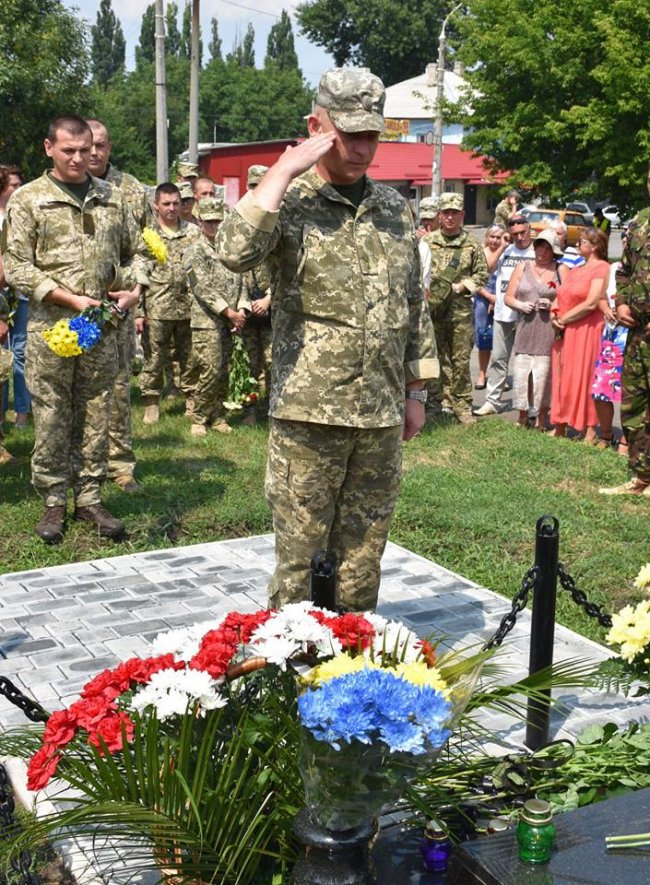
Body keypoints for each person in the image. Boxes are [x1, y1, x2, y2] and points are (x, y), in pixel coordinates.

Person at [216, 67, 437, 611]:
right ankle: (292, 671)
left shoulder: (392, 208)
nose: (362, 149)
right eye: (349, 134)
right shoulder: (288, 202)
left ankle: (351, 665)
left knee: (365, 553)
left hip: (380, 413)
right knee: (301, 556)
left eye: (372, 135)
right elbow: (233, 251)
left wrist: (415, 393)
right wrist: (285, 170)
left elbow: (411, 302)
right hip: (309, 413)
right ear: (316, 125)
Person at [1, 114, 147, 542]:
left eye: (86, 150)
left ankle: (89, 498)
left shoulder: (112, 198)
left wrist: (135, 288)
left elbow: (137, 250)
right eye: (69, 150)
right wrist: (67, 298)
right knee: (51, 412)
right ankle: (52, 501)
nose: (80, 158)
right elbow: (16, 267)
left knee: (96, 410)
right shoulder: (29, 199)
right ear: (49, 149)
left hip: (100, 327)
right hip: (53, 328)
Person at [86, 119, 149, 493]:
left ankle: (121, 466)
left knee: (119, 384)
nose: (93, 152)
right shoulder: (63, 186)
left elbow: (144, 246)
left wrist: (134, 293)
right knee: (80, 386)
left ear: (110, 148)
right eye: (87, 145)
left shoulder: (131, 190)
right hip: (75, 307)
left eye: (101, 145)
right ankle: (81, 464)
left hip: (119, 307)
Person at [600, 179, 650, 497]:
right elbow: (624, 271)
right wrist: (620, 302)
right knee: (635, 404)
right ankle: (642, 476)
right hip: (637, 334)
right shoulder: (639, 221)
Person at [185, 197, 249, 436]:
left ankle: (218, 415)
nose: (213, 227)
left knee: (224, 369)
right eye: (208, 222)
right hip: (206, 321)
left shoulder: (229, 249)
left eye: (217, 222)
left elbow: (242, 278)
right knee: (210, 369)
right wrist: (228, 311)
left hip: (231, 319)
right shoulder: (194, 251)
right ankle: (199, 416)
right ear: (199, 222)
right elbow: (201, 287)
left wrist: (242, 308)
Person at [137, 183, 200, 424]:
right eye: (166, 204)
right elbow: (139, 276)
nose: (172, 208)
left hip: (187, 309)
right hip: (157, 308)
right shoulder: (147, 236)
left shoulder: (193, 233)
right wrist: (138, 313)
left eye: (176, 203)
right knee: (153, 359)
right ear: (156, 205)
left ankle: (192, 401)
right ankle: (151, 402)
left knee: (190, 358)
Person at [423, 192, 488, 423]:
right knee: (434, 357)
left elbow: (482, 274)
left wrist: (463, 286)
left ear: (462, 214)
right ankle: (433, 403)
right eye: (446, 213)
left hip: (459, 312)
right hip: (433, 311)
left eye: (454, 213)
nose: (450, 217)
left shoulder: (471, 244)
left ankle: (462, 406)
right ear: (439, 215)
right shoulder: (428, 242)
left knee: (460, 361)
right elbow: (416, 270)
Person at [550, 228, 610, 441]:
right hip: (564, 330)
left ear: (594, 246)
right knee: (561, 376)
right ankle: (560, 424)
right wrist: (554, 315)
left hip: (585, 330)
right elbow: (561, 293)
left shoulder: (602, 268)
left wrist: (564, 320)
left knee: (584, 377)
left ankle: (591, 429)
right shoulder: (576, 269)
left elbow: (592, 302)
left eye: (582, 241)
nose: (577, 244)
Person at [474, 216, 535, 416]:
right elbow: (488, 268)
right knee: (499, 358)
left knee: (527, 362)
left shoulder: (536, 251)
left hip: (528, 314)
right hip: (502, 312)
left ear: (530, 230)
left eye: (523, 233)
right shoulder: (506, 250)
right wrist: (502, 245)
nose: (519, 237)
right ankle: (492, 401)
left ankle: (528, 405)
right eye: (515, 234)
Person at [505, 229, 565, 430]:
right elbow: (508, 296)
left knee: (543, 374)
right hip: (525, 328)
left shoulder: (560, 270)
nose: (543, 251)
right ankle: (522, 416)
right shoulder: (523, 267)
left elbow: (568, 296)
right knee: (522, 373)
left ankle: (541, 417)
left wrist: (552, 304)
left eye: (548, 248)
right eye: (540, 246)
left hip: (548, 330)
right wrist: (520, 305)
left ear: (554, 251)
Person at [241, 165, 273, 426]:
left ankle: (275, 411)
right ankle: (249, 410)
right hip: (246, 311)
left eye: (261, 185)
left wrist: (269, 298)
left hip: (273, 309)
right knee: (248, 363)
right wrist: (242, 304)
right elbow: (231, 270)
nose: (256, 191)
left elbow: (290, 269)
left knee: (274, 363)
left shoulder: (278, 222)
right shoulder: (239, 222)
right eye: (252, 186)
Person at [0, 164, 31, 430]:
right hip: (1, 296)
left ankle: (22, 412)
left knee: (20, 353)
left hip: (22, 297)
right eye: (14, 186)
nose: (18, 190)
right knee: (1, 356)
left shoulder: (23, 215)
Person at [591, 248, 628, 453]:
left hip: (636, 337)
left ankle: (627, 437)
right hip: (611, 339)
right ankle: (606, 434)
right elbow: (601, 298)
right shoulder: (614, 268)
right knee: (601, 390)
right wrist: (606, 309)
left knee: (632, 393)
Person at [474, 225, 506, 389]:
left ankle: (501, 375)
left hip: (503, 299)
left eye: (498, 237)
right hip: (482, 299)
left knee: (502, 339)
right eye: (492, 236)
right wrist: (490, 297)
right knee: (484, 338)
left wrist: (498, 299)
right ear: (486, 237)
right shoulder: (479, 252)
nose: (495, 240)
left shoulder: (507, 253)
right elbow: (476, 278)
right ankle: (482, 374)